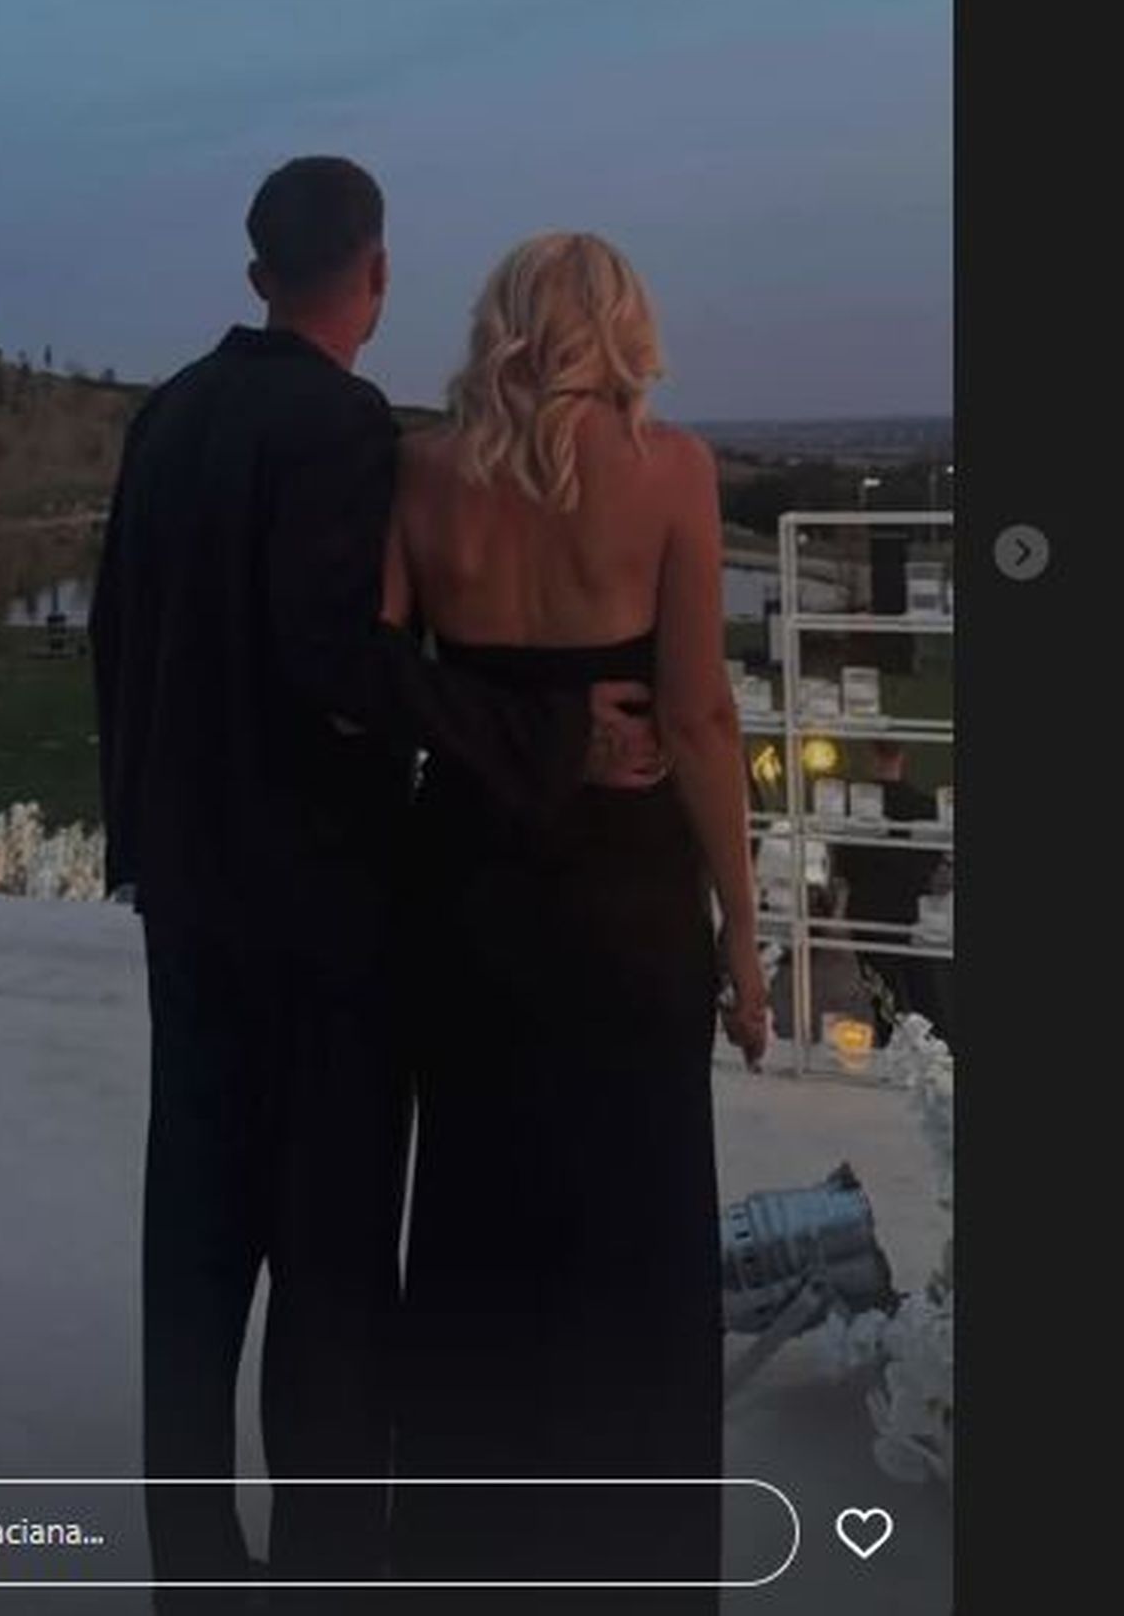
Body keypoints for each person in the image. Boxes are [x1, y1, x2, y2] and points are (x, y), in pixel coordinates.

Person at [89, 160, 665, 1612]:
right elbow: (342, 661)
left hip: (190, 896)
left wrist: (138, 836)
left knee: (194, 1243)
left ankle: (192, 1569)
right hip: (324, 904)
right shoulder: (343, 427)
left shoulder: (170, 414)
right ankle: (330, 1565)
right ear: (378, 272)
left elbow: (117, 637)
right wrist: (554, 736)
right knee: (331, 1254)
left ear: (257, 273)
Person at [384, 233, 769, 1615]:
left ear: (500, 325)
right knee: (635, 1235)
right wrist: (745, 937)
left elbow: (382, 677)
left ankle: (460, 1562)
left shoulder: (420, 471)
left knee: (475, 1220)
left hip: (468, 889)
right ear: (621, 328)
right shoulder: (674, 471)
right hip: (627, 902)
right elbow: (699, 717)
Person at [839, 739, 950, 1047]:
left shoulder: (854, 809)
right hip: (913, 913)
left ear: (870, 754)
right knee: (925, 993)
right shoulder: (926, 806)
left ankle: (892, 1052)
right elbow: (933, 863)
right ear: (903, 756)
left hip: (868, 913)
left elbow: (845, 866)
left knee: (884, 999)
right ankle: (936, 1054)